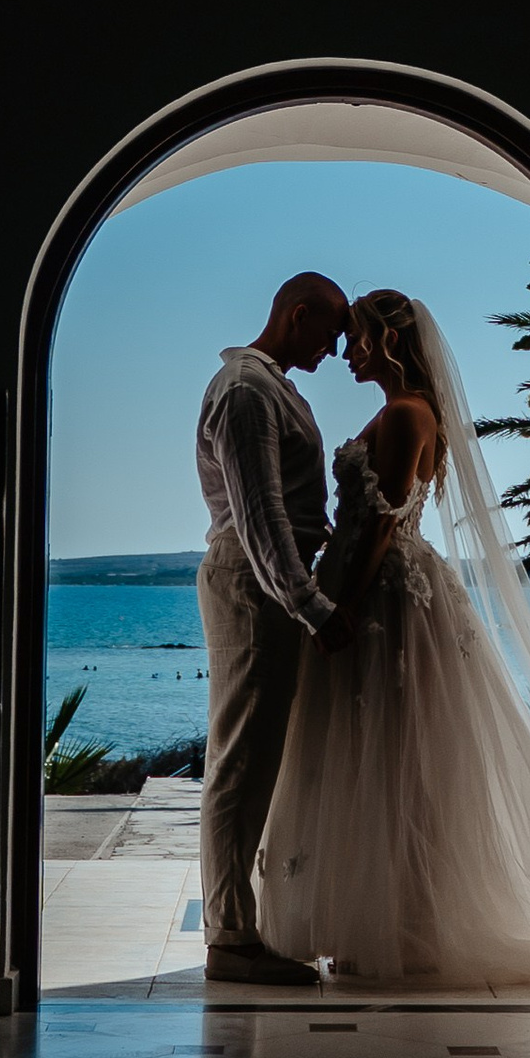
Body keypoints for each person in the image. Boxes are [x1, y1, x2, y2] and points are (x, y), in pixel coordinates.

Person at [256, 287, 530, 988]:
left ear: (389, 341)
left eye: (358, 337)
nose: (346, 350)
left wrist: (343, 606)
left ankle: (403, 924)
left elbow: (385, 522)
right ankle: (376, 918)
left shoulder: (403, 414)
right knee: (374, 756)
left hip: (387, 600)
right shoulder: (400, 411)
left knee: (393, 757)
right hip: (378, 586)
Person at [194, 272, 354, 988]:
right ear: (296, 316)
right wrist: (310, 605)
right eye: (330, 330)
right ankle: (230, 938)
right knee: (241, 757)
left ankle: (240, 927)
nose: (336, 347)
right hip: (255, 582)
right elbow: (261, 517)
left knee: (255, 756)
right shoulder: (247, 391)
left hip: (264, 580)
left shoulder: (271, 386)